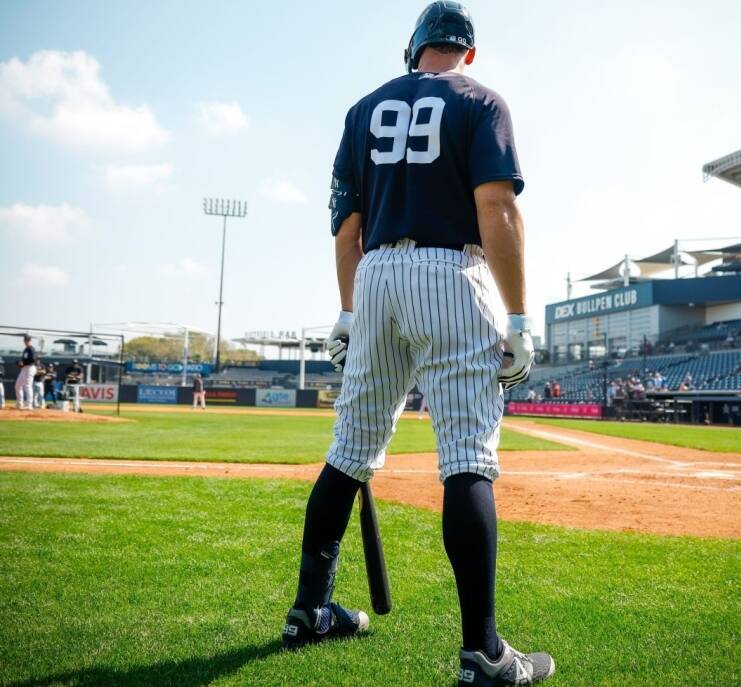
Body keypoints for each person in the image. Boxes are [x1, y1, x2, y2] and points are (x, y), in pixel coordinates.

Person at [282, 4, 554, 686]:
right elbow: (496, 207)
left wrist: (347, 313)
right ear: (468, 51)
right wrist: (518, 316)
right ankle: (482, 652)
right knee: (466, 455)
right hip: (449, 271)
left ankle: (308, 610)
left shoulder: (363, 108)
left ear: (414, 48)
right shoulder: (482, 101)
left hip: (374, 275)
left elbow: (346, 228)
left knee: (348, 452)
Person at [14, 334, 37, 410]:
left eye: (27, 340)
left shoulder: (31, 349)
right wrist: (20, 363)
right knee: (18, 385)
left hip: (30, 368)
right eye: (25, 340)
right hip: (24, 368)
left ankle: (29, 405)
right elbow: (23, 361)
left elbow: (33, 359)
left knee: (28, 386)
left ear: (30, 340)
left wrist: (23, 363)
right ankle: (20, 403)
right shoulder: (25, 349)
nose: (26, 341)